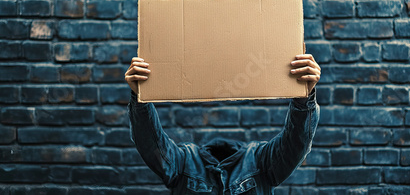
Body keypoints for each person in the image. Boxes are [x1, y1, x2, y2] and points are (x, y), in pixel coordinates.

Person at [125, 54, 321, 195]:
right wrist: (140, 97)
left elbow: (295, 143)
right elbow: (151, 144)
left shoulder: (262, 162)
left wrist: (305, 97)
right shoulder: (183, 163)